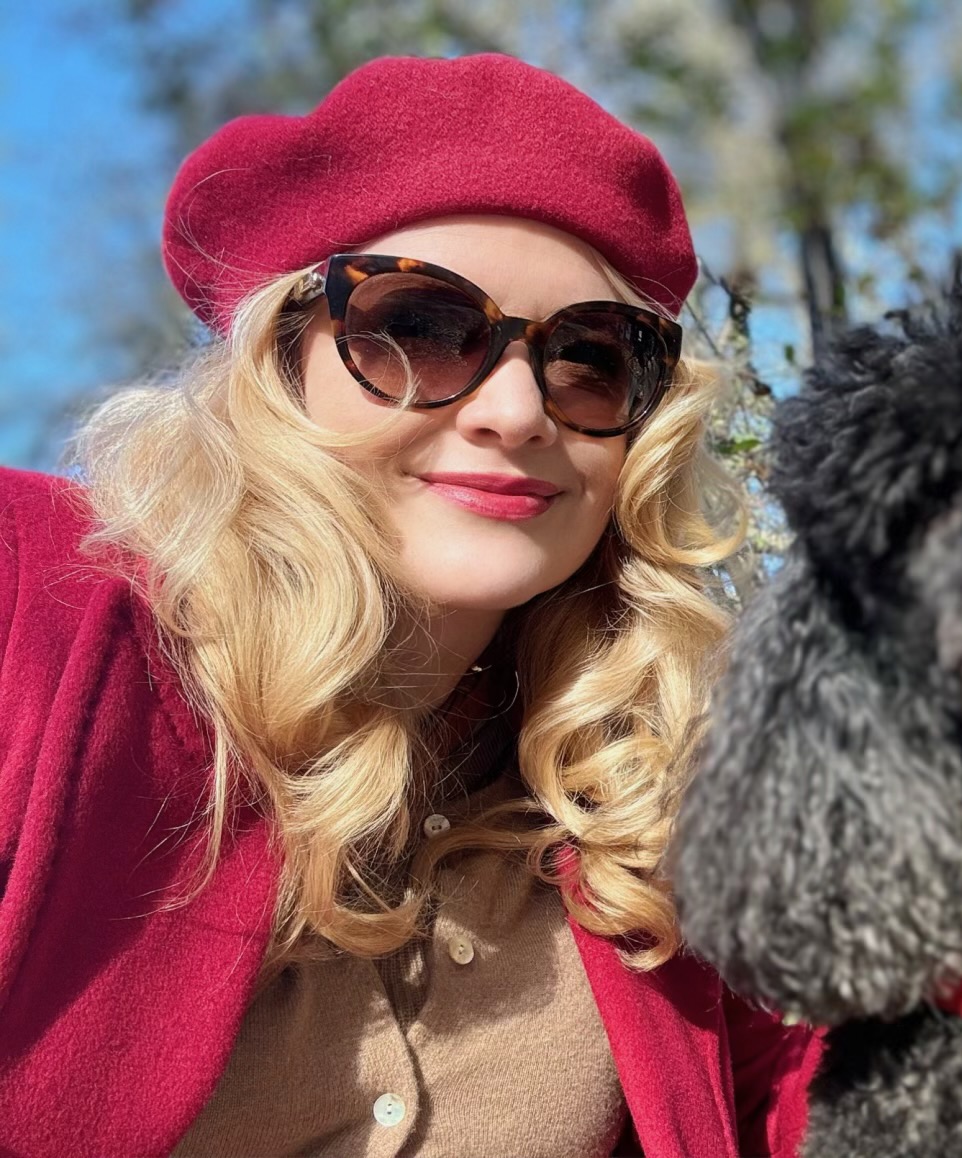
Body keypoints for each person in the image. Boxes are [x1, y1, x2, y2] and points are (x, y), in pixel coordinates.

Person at [0, 53, 819, 1158]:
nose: (517, 411)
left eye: (590, 357)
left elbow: (813, 1106)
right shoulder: (33, 602)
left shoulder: (646, 796)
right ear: (277, 364)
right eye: (421, 328)